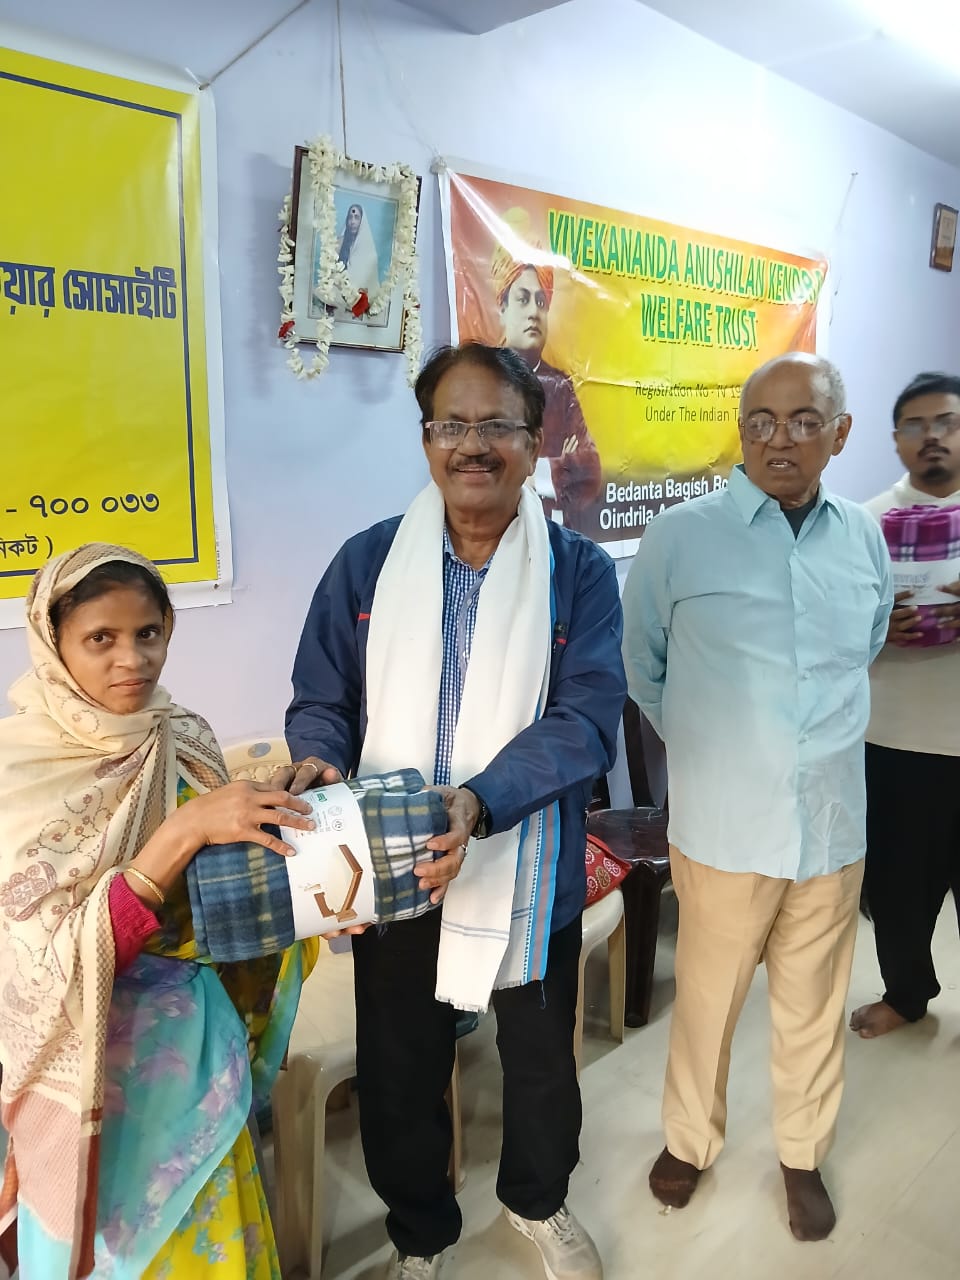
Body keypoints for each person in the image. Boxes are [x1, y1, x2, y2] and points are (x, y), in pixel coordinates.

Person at [282, 341, 626, 1280]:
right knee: (399, 1070)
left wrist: (480, 801)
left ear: (534, 440)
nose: (473, 445)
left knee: (540, 1064)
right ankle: (420, 1233)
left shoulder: (577, 573)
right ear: (427, 438)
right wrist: (318, 758)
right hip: (394, 865)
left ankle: (537, 1203)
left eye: (497, 425)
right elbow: (323, 697)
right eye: (452, 425)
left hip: (525, 864)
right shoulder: (367, 563)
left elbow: (585, 719)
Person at [621, 353, 892, 1242]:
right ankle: (689, 1142)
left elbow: (869, 642)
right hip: (725, 829)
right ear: (740, 433)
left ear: (839, 434)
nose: (782, 439)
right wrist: (716, 747)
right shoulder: (682, 536)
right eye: (762, 422)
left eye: (805, 420)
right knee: (707, 1002)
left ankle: (802, 1155)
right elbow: (644, 666)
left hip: (831, 825)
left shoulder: (863, 536)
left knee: (813, 1005)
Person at [0, 544, 316, 1279]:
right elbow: (41, 963)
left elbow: (230, 893)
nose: (132, 660)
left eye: (148, 633)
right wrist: (184, 832)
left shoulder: (183, 736)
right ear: (54, 644)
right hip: (89, 1077)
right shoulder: (21, 772)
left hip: (194, 1055)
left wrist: (314, 878)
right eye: (100, 638)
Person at [850, 372, 960, 1039]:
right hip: (894, 739)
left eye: (946, 421)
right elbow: (829, 626)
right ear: (896, 441)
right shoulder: (863, 524)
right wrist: (876, 626)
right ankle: (907, 994)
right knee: (896, 888)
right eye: (916, 426)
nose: (932, 436)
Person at [491, 208, 602, 528]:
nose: (534, 312)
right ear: (502, 307)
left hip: (555, 533)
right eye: (523, 299)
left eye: (541, 302)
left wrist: (532, 475)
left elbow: (590, 470)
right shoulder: (483, 381)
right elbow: (486, 465)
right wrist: (558, 465)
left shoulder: (560, 385)